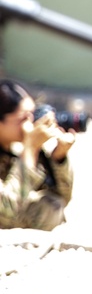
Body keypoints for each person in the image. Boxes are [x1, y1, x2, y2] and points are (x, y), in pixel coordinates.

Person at [0, 80, 75, 230]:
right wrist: (30, 150)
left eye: (32, 115)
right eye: (23, 119)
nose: (31, 123)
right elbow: (5, 211)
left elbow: (61, 199)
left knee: (49, 207)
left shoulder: (12, 150)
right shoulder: (24, 150)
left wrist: (58, 157)